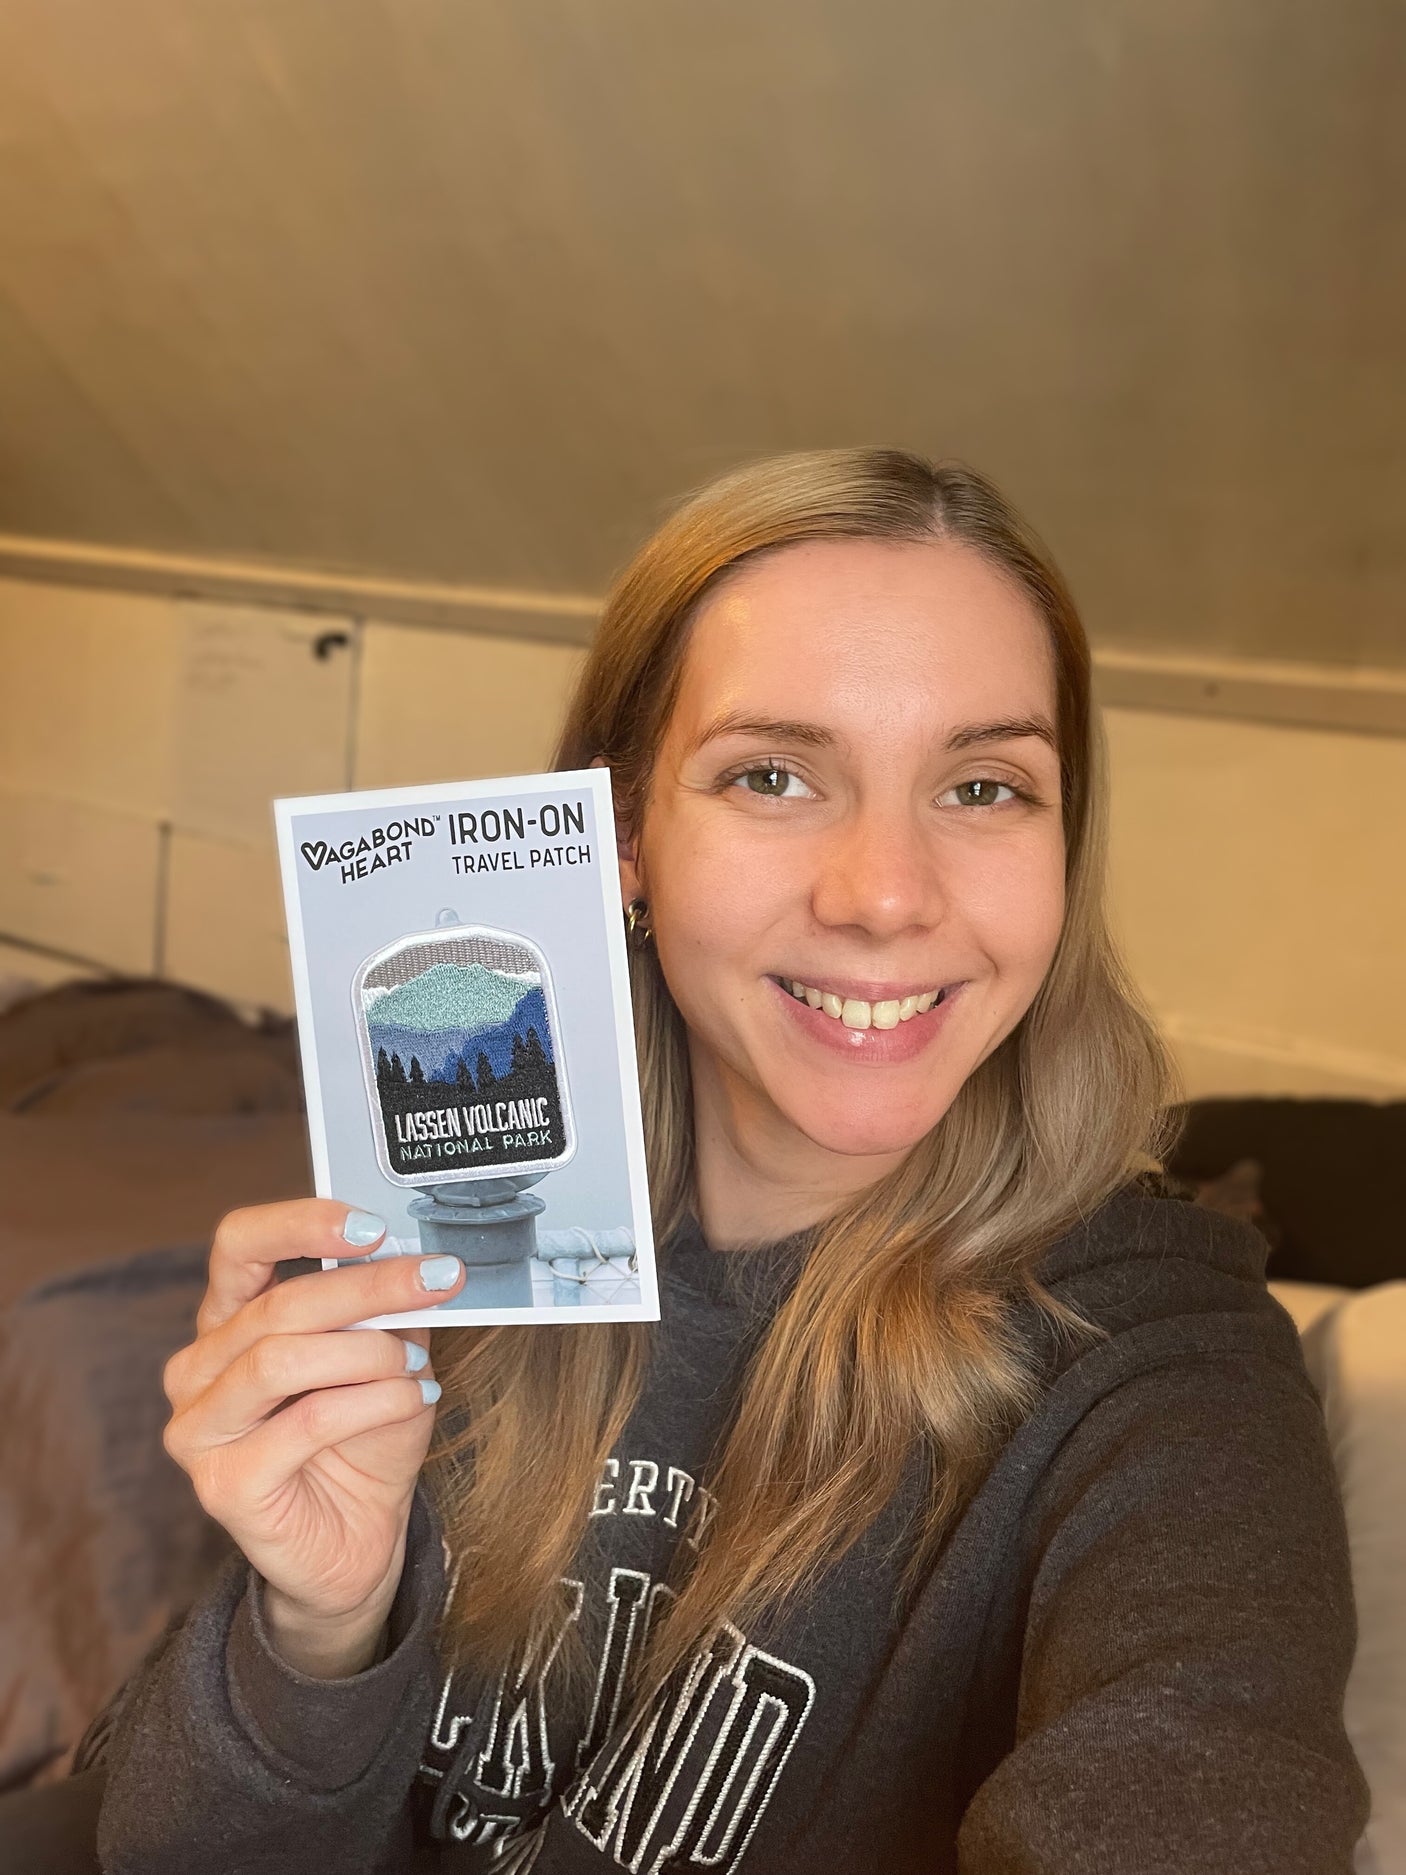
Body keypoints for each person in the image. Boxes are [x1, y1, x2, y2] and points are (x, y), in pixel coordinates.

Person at [90, 449, 1367, 1872]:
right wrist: (317, 1633)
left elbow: (1207, 1771)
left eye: (985, 787)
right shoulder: (464, 1236)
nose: (885, 896)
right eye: (773, 774)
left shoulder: (1156, 1364)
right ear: (621, 830)